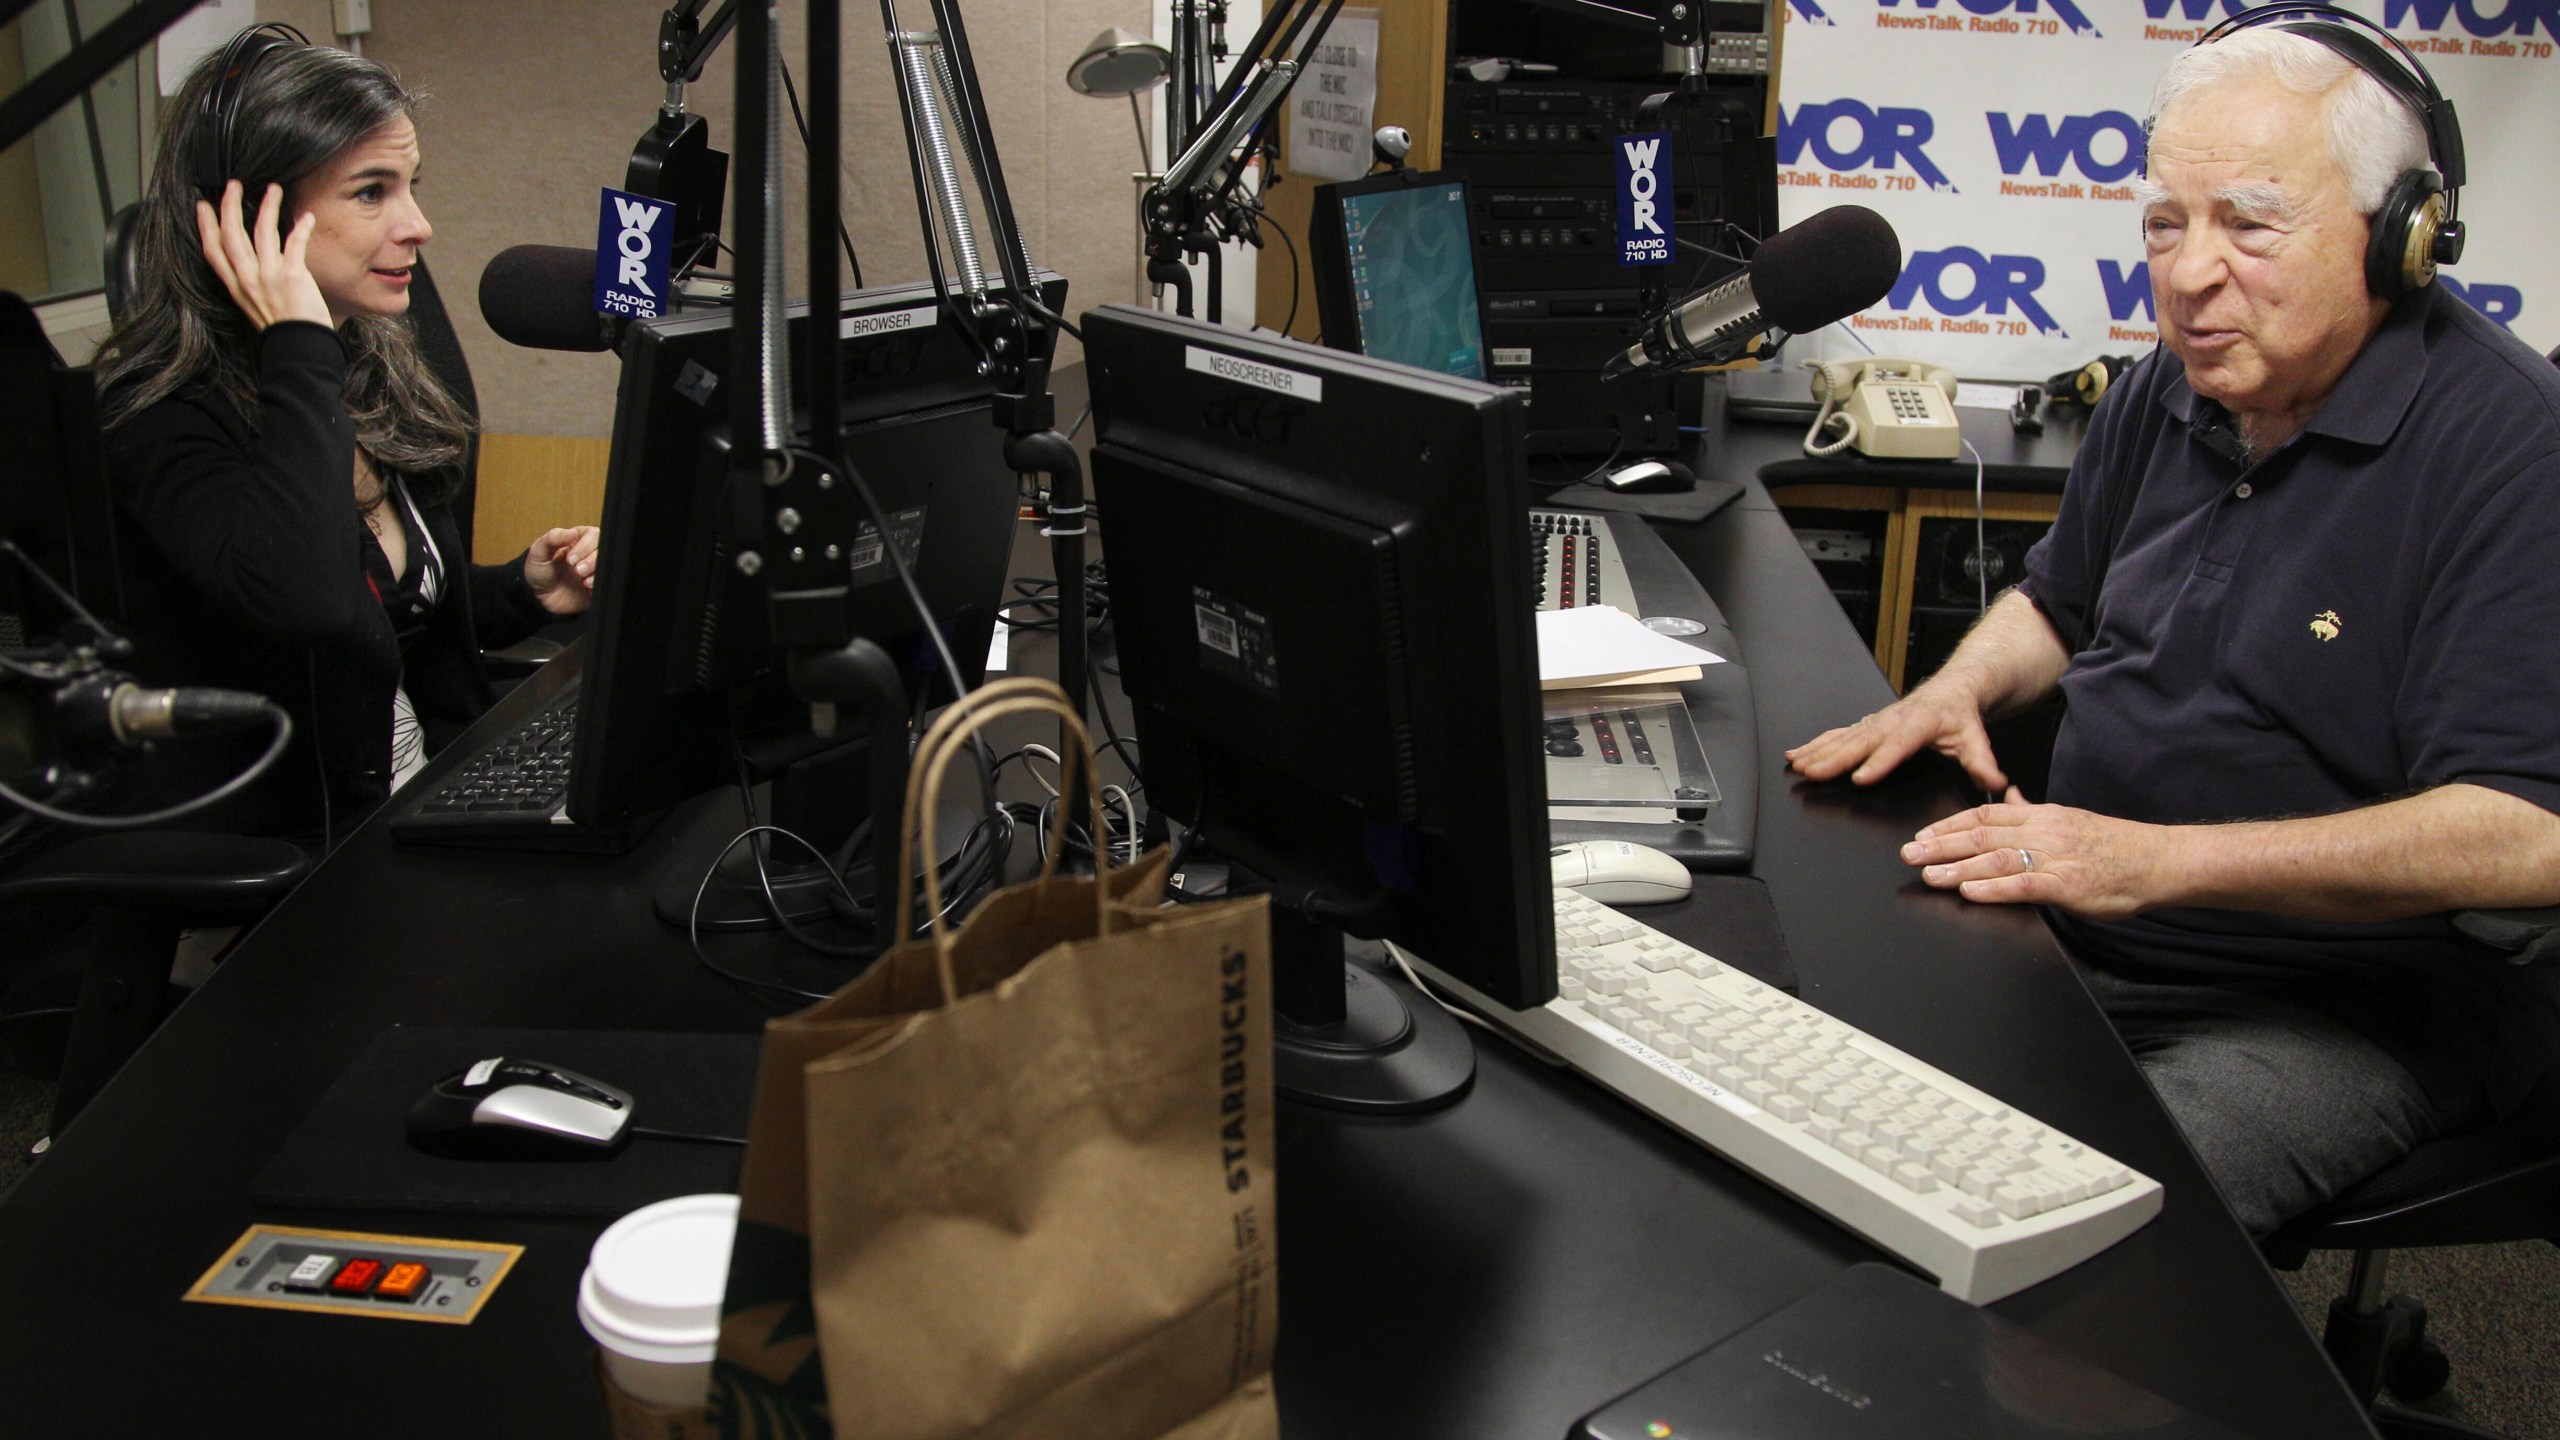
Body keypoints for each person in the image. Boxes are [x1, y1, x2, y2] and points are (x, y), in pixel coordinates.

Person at [1786, 25, 2560, 1235]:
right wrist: (1956, 688)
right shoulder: (2182, 377)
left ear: (2402, 236)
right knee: (1813, 1105)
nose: (2189, 275)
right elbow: (2058, 599)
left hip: (2332, 1004)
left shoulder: (2511, 448)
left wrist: (2155, 863)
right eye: (2165, 222)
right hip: (2080, 923)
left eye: (2249, 226)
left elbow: (2528, 834)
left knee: (2047, 1245)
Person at [91, 33, 598, 848]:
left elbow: (382, 623)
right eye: (371, 192)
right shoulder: (158, 416)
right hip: (324, 856)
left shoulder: (361, 364)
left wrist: (520, 593)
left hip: (431, 798)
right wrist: (295, 341)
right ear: (251, 211)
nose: (419, 226)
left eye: (411, 186)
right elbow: (313, 605)